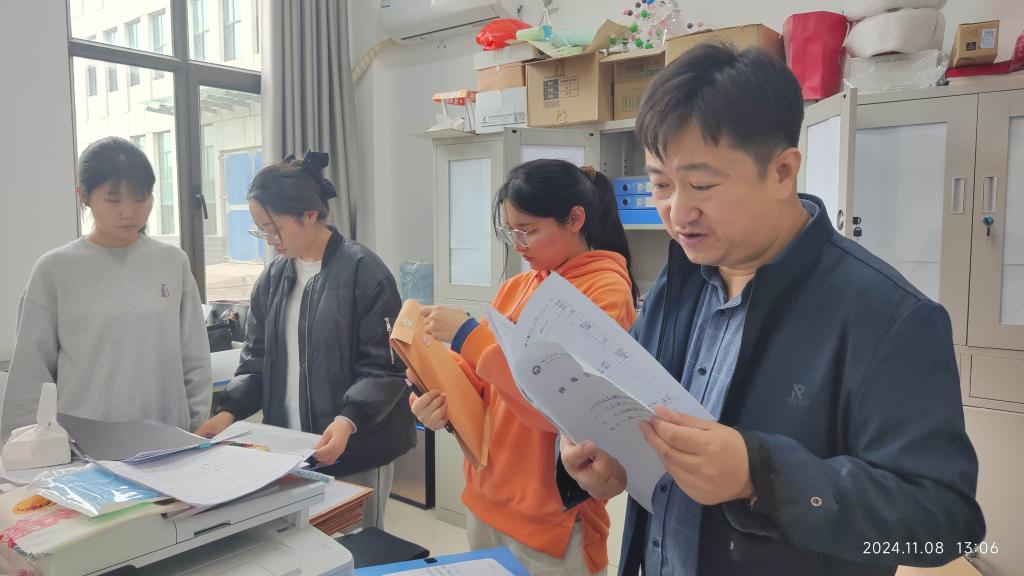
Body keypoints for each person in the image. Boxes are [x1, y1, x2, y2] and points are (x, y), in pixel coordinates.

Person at [557, 43, 985, 576]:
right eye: (660, 183)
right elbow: (636, 404)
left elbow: (944, 524)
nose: (677, 211)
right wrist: (604, 458)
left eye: (702, 185)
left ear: (783, 172)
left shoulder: (889, 317)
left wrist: (759, 476)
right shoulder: (682, 276)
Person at [411, 159, 638, 575]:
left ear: (575, 219)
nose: (518, 245)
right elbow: (481, 380)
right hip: (488, 497)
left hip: (551, 518)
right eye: (510, 231)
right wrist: (432, 384)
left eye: (528, 230)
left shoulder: (604, 290)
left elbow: (559, 405)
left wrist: (468, 336)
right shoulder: (518, 286)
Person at [196, 152, 415, 530]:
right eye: (260, 230)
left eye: (274, 228)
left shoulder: (364, 271)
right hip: (290, 451)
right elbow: (256, 361)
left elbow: (386, 366)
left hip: (356, 449)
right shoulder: (272, 279)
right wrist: (227, 414)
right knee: (298, 546)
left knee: (356, 547)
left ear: (309, 214)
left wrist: (348, 421)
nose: (270, 240)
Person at [2, 136, 211, 441]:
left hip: (167, 441)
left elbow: (194, 357)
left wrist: (194, 431)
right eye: (113, 199)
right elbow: (30, 372)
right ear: (83, 196)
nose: (129, 211)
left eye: (140, 197)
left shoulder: (172, 262)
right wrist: (23, 447)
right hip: (83, 446)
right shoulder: (55, 269)